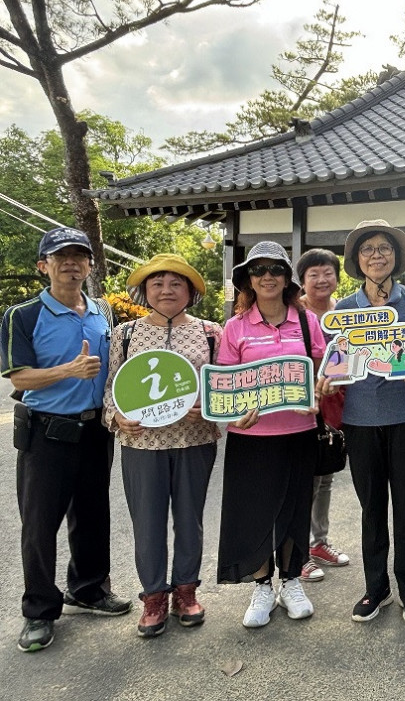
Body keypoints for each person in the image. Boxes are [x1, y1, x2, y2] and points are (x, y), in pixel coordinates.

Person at [1, 228, 132, 653]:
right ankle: (39, 610)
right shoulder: (22, 315)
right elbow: (18, 377)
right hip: (47, 432)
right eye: (61, 257)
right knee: (40, 525)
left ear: (90, 265)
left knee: (93, 514)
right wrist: (67, 371)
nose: (72, 263)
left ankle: (89, 589)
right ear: (45, 265)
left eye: (80, 256)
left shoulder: (102, 312)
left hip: (96, 430)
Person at [216, 241, 333, 629]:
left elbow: (321, 370)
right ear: (249, 279)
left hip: (298, 433)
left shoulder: (305, 321)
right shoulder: (234, 327)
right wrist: (236, 414)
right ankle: (263, 584)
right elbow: (226, 386)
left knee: (294, 509)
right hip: (251, 437)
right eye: (259, 270)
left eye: (276, 269)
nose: (268, 276)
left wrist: (320, 389)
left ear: (287, 279)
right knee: (254, 513)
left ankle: (292, 581)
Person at [104, 254, 222, 637]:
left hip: (195, 439)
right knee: (148, 524)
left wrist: (209, 408)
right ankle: (154, 596)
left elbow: (225, 384)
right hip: (142, 444)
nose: (166, 290)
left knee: (191, 518)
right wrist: (116, 417)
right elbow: (110, 389)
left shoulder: (210, 332)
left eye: (176, 283)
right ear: (145, 291)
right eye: (157, 283)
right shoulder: (125, 334)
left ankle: (186, 591)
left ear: (190, 291)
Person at [336, 220, 405, 624]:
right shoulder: (345, 309)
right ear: (357, 260)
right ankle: (375, 588)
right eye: (368, 250)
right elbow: (337, 359)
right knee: (372, 508)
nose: (377, 255)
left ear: (396, 257)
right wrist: (328, 376)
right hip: (360, 420)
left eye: (384, 248)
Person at [295, 248, 351, 583]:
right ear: (302, 280)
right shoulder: (293, 312)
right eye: (313, 273)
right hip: (301, 407)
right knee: (305, 481)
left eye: (328, 272)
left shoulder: (342, 312)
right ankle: (299, 553)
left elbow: (349, 357)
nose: (321, 279)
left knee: (326, 475)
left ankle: (319, 543)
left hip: (335, 405)